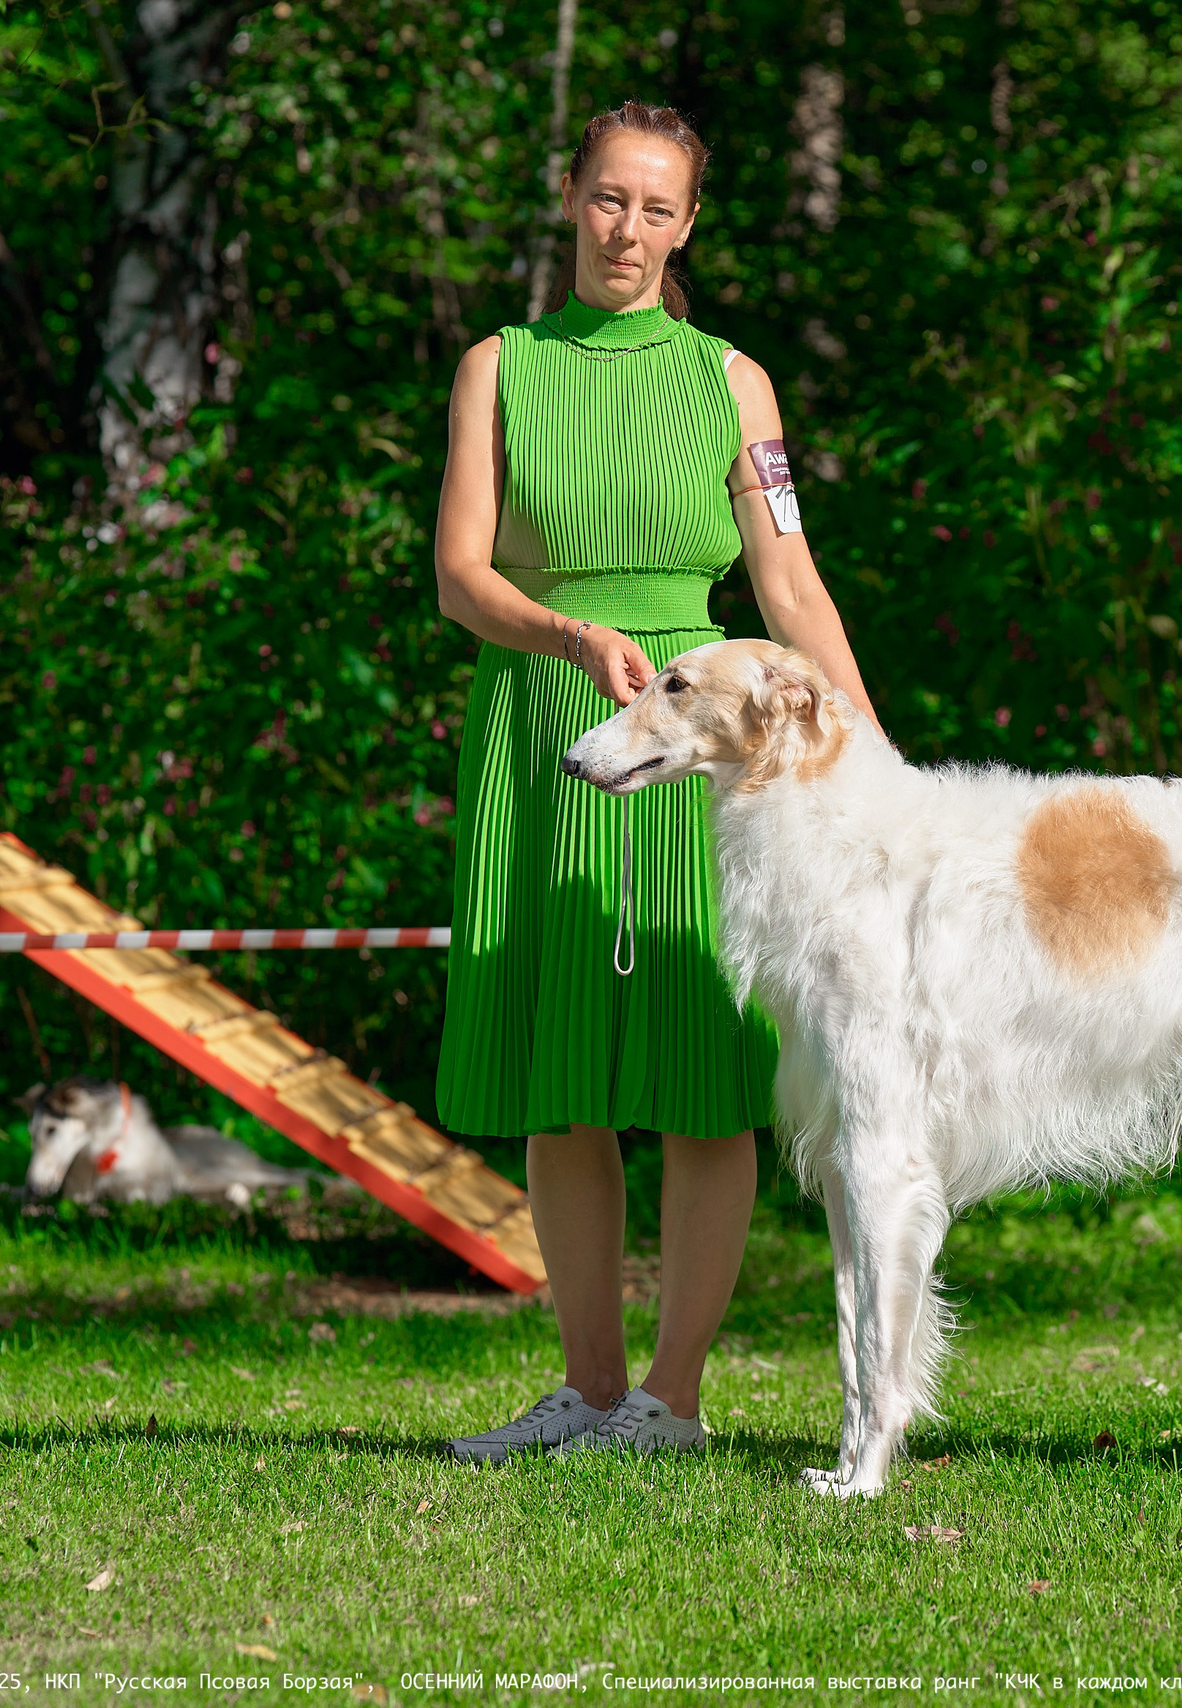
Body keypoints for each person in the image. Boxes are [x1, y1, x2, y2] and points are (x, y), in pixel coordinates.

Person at [429, 102, 876, 1461]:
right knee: (562, 1083)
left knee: (704, 1075)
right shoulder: (498, 368)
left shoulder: (733, 384)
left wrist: (872, 748)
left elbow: (786, 581)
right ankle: (588, 1390)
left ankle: (671, 1404)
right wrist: (567, 635)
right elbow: (460, 577)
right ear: (572, 198)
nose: (629, 230)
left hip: (711, 750)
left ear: (689, 226)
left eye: (658, 209)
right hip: (544, 720)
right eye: (609, 199)